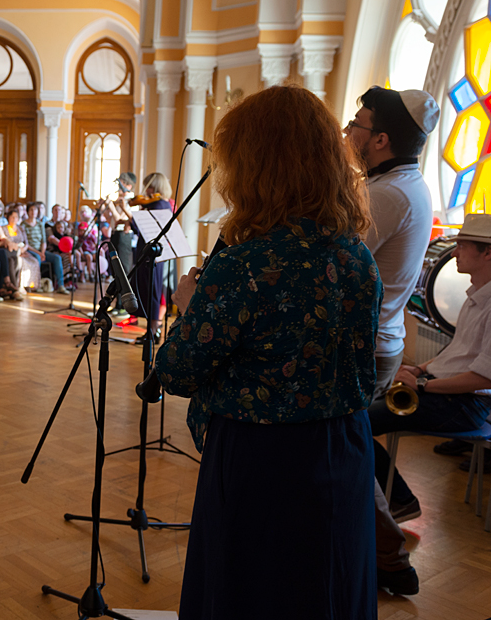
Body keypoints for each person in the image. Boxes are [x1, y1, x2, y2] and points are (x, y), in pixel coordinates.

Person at [155, 85, 380, 619]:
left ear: (258, 167)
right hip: (343, 447)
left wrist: (189, 304)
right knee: (327, 589)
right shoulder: (355, 255)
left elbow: (177, 370)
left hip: (262, 462)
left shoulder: (246, 263)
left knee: (251, 594)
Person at [346, 85, 440, 595]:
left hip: (366, 342)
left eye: (357, 125)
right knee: (350, 444)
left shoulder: (388, 193)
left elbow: (335, 257)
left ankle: (388, 555)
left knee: (347, 448)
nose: (350, 132)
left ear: (380, 139)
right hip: (381, 337)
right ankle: (384, 548)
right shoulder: (402, 184)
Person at [369, 214, 491, 536]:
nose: (453, 253)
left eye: (462, 246)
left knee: (356, 425)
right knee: (356, 418)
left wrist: (423, 383)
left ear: (487, 253)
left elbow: (485, 379)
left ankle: (399, 500)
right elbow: (458, 353)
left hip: (467, 405)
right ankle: (385, 499)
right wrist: (421, 368)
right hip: (446, 393)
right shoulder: (476, 294)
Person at [133, 172, 174, 341]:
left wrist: (132, 215)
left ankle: (152, 331)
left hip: (152, 254)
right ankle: (152, 329)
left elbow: (140, 228)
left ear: (156, 187)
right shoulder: (162, 204)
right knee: (151, 291)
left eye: (148, 186)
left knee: (152, 291)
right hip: (152, 253)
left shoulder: (158, 205)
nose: (146, 190)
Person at [21, 201, 67, 294]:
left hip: (41, 250)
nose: (33, 212)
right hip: (30, 249)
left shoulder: (40, 224)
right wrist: (39, 253)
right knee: (37, 258)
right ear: (27, 211)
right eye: (31, 210)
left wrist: (42, 252)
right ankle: (37, 284)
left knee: (57, 258)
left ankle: (60, 285)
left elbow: (43, 241)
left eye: (35, 210)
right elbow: (25, 243)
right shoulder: (23, 225)